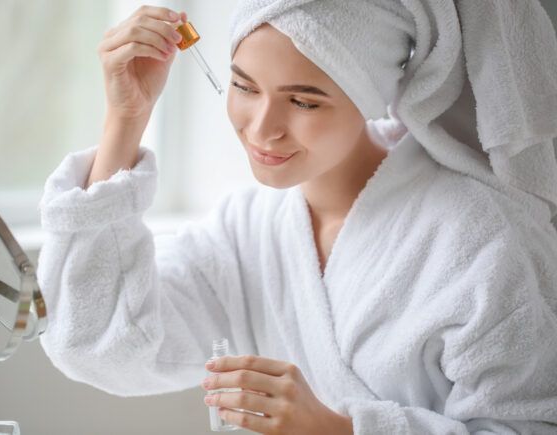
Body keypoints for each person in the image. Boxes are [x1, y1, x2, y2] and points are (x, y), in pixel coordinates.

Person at [37, 1, 557, 434]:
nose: (263, 130)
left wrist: (339, 429)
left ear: (369, 97)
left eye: (304, 102)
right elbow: (99, 345)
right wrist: (126, 119)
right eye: (244, 87)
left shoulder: (480, 239)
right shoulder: (248, 230)